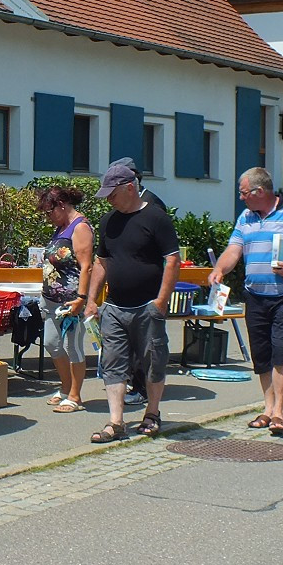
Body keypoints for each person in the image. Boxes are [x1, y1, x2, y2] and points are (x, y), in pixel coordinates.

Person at [209, 167, 283, 436]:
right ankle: (267, 408)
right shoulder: (246, 217)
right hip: (255, 295)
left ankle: (279, 412)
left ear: (259, 191)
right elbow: (234, 248)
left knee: (282, 351)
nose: (240, 198)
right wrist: (220, 269)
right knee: (261, 354)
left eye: (243, 193)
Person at [84, 163, 180, 442]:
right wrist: (92, 300)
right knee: (112, 362)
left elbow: (172, 260)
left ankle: (152, 413)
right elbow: (102, 262)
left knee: (153, 361)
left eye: (112, 194)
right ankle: (116, 422)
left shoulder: (156, 217)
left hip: (147, 306)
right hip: (114, 307)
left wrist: (161, 302)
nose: (108, 200)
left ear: (129, 188)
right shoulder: (108, 221)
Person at [107, 157, 167, 407]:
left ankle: (144, 393)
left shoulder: (153, 205)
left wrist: (161, 300)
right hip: (119, 302)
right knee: (122, 353)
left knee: (148, 351)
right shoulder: (115, 214)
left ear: (132, 180)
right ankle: (123, 405)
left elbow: (168, 258)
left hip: (147, 299)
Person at [37, 186, 95, 413]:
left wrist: (82, 298)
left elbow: (86, 266)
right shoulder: (61, 227)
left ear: (62, 205)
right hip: (51, 300)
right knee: (52, 343)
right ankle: (65, 386)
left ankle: (75, 396)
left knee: (74, 348)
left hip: (71, 301)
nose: (48, 217)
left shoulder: (79, 228)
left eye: (49, 211)